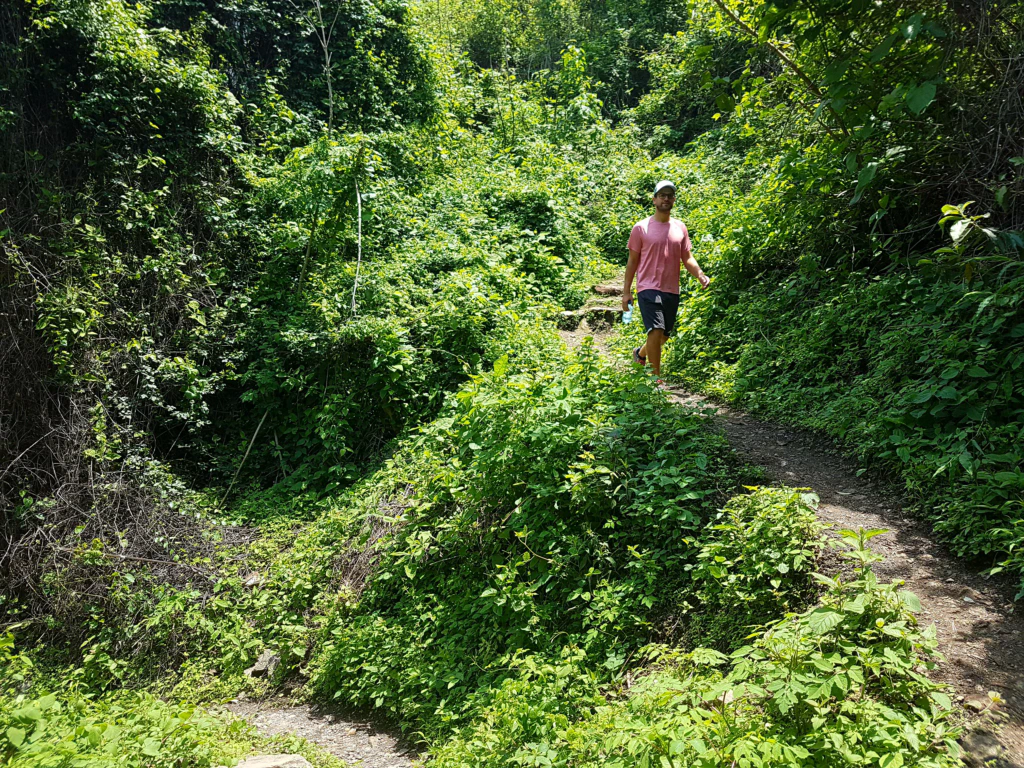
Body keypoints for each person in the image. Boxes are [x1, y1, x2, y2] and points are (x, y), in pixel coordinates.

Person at [622, 180, 710, 383]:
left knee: (663, 336)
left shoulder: (680, 228)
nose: (666, 199)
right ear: (654, 200)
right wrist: (626, 292)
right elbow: (632, 261)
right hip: (647, 287)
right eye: (662, 195)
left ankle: (640, 354)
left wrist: (700, 274)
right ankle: (655, 381)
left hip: (671, 289)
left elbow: (687, 257)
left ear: (674, 200)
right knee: (655, 330)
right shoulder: (641, 228)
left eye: (670, 195)